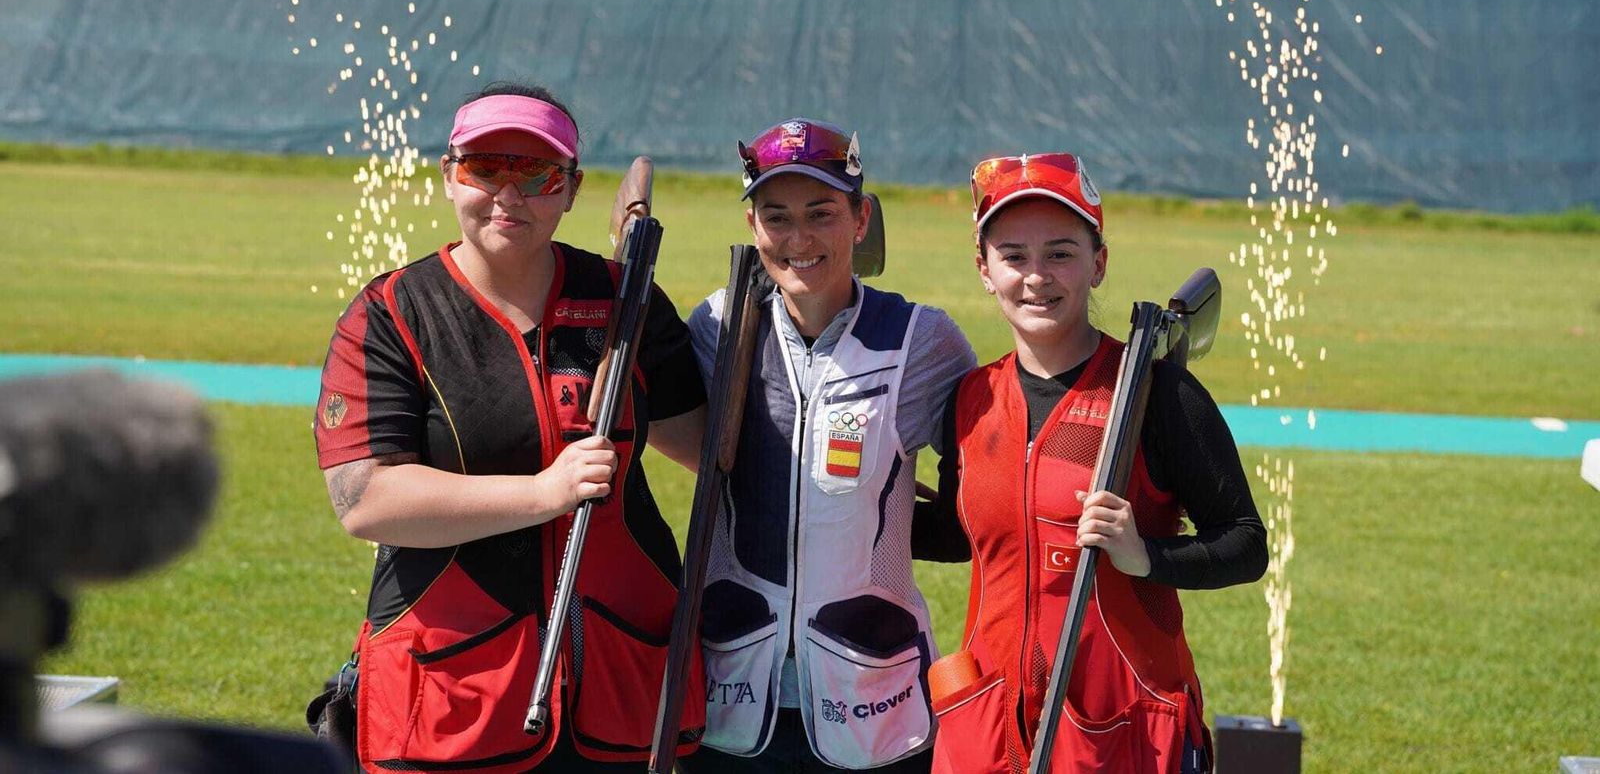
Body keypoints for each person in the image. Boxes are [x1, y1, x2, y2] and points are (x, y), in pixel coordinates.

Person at [313, 82, 708, 772]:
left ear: (572, 187)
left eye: (537, 173)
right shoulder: (392, 313)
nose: (509, 193)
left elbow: (714, 452)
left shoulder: (626, 298)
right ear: (447, 176)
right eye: (484, 169)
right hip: (452, 699)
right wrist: (542, 494)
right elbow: (366, 500)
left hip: (620, 691)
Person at [918, 154, 1267, 774]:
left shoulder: (1155, 395)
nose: (1036, 277)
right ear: (984, 269)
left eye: (1060, 253)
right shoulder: (970, 399)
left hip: (1121, 726)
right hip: (991, 722)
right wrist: (855, 502)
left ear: (1097, 263)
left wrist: (1145, 556)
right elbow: (962, 534)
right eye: (1013, 255)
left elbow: (1245, 544)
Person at [678, 119, 977, 773]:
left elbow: (970, 519)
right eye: (776, 217)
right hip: (729, 695)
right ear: (754, 224)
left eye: (822, 213)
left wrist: (880, 520)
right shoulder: (717, 325)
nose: (799, 238)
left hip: (872, 696)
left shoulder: (922, 341)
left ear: (861, 217)